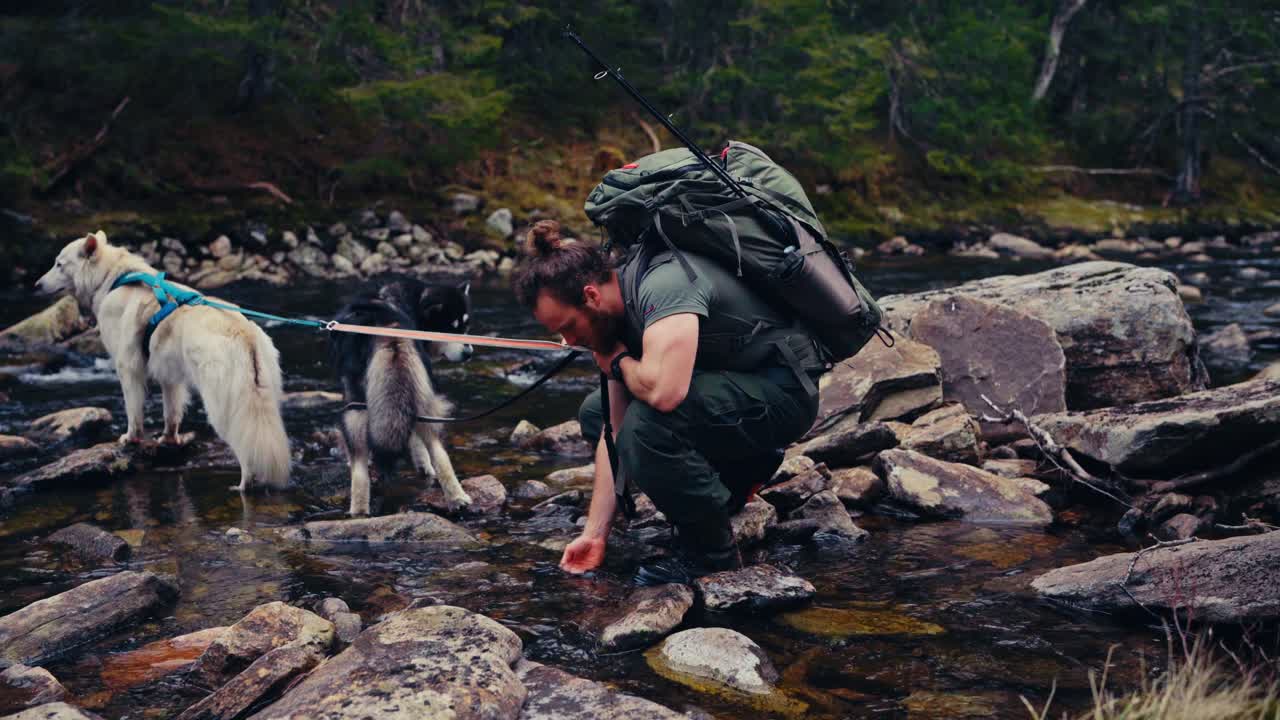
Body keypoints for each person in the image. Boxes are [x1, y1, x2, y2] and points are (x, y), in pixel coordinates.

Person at [512, 219, 824, 585]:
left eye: (568, 326)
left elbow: (664, 392)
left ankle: (712, 557)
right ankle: (741, 472)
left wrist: (620, 362)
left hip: (784, 394)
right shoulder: (611, 317)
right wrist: (595, 533)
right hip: (733, 391)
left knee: (647, 426)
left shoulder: (663, 286)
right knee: (596, 413)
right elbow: (612, 430)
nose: (569, 341)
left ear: (591, 296)